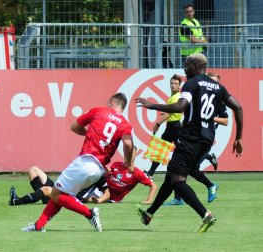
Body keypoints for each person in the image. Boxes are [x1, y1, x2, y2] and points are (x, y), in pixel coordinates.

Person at [135, 53, 243, 233]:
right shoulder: (218, 87)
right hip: (207, 140)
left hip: (191, 137)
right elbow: (238, 107)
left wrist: (151, 105)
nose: (184, 69)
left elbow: (179, 107)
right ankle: (150, 213)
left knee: (178, 181)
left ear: (196, 65)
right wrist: (238, 137)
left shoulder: (191, 83)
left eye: (187, 65)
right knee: (171, 176)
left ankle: (205, 215)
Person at [21, 93, 134, 232]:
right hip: (99, 170)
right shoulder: (125, 124)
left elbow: (74, 127)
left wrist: (90, 134)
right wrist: (128, 163)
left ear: (112, 103)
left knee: (57, 194)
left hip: (86, 161)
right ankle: (39, 225)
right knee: (60, 194)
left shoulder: (99, 111)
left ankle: (89, 214)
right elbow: (128, 144)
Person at [10, 146, 156, 205]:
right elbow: (107, 173)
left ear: (135, 155)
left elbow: (107, 192)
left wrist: (149, 200)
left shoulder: (136, 172)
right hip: (81, 188)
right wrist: (106, 169)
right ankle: (45, 199)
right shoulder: (115, 166)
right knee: (32, 170)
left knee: (46, 190)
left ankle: (16, 201)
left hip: (88, 193)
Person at [163, 72, 225, 206]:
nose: (210, 84)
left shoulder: (218, 99)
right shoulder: (196, 95)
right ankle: (178, 198)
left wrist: (208, 117)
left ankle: (208, 187)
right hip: (192, 138)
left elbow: (225, 120)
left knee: (184, 168)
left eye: (214, 82)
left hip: (202, 140)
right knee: (181, 168)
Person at [146, 74, 183, 177]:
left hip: (176, 127)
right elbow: (169, 112)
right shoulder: (172, 97)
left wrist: (158, 123)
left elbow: (168, 114)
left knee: (185, 149)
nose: (173, 85)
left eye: (176, 84)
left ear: (179, 86)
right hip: (171, 127)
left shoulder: (176, 97)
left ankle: (208, 157)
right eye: (172, 83)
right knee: (161, 149)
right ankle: (150, 173)